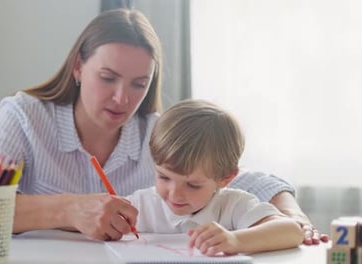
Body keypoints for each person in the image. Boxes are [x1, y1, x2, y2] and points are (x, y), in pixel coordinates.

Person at [0, 8, 326, 244]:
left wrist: (295, 219)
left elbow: (251, 181)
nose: (122, 98)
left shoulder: (157, 133)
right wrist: (68, 209)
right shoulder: (24, 115)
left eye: (139, 84)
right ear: (79, 68)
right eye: (108, 78)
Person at [127, 99, 303, 255]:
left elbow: (292, 231)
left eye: (193, 185)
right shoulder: (141, 205)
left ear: (225, 177)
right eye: (164, 177)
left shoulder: (233, 205)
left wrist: (235, 240)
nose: (175, 194)